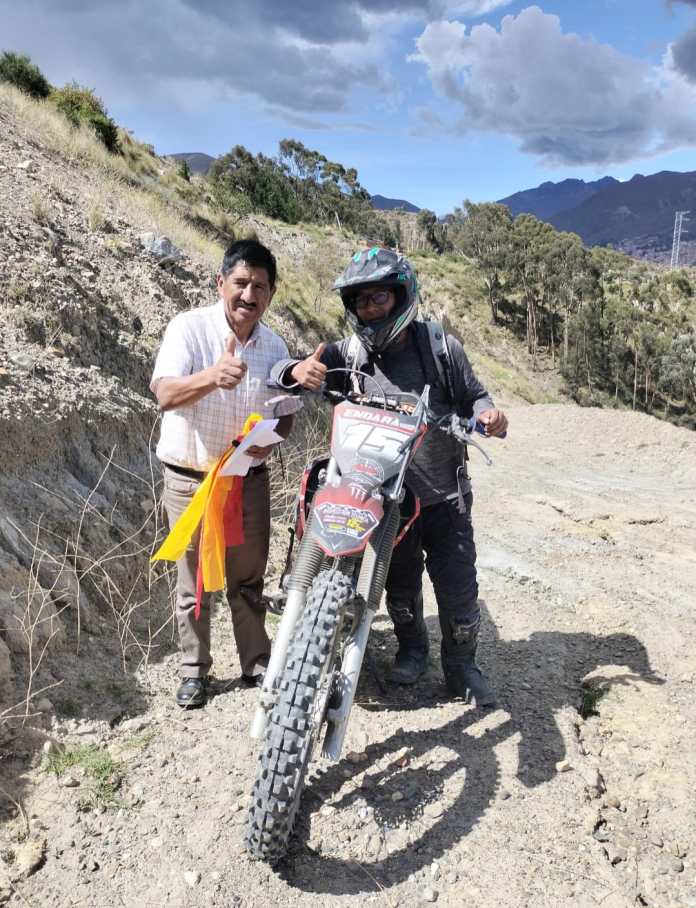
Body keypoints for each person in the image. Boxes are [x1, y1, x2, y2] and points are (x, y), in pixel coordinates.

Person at [270, 247, 507, 706]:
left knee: (458, 591)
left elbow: (476, 398)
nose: (370, 308)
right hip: (384, 501)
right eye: (361, 300)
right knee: (398, 585)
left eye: (379, 297)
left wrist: (488, 416)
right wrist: (297, 369)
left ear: (402, 296)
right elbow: (288, 372)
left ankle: (462, 668)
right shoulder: (347, 353)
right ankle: (412, 649)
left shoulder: (441, 348)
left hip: (445, 496)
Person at [151, 239, 292, 708]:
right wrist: (213, 376)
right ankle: (195, 671)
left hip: (248, 482)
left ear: (271, 294)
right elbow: (165, 394)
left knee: (248, 579)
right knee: (193, 581)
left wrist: (270, 438)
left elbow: (285, 417)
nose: (249, 295)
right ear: (221, 283)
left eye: (260, 286)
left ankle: (256, 662)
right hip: (191, 480)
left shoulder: (275, 347)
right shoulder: (188, 328)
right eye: (241, 282)